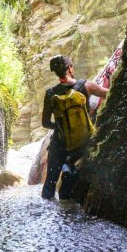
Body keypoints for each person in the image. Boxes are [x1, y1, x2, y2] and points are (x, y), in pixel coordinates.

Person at [41, 55, 108, 200]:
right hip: (82, 143)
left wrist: (60, 127)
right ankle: (69, 170)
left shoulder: (51, 94)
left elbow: (45, 123)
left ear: (56, 73)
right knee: (74, 172)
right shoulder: (86, 86)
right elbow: (107, 93)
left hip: (59, 144)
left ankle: (48, 209)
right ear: (70, 68)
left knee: (50, 183)